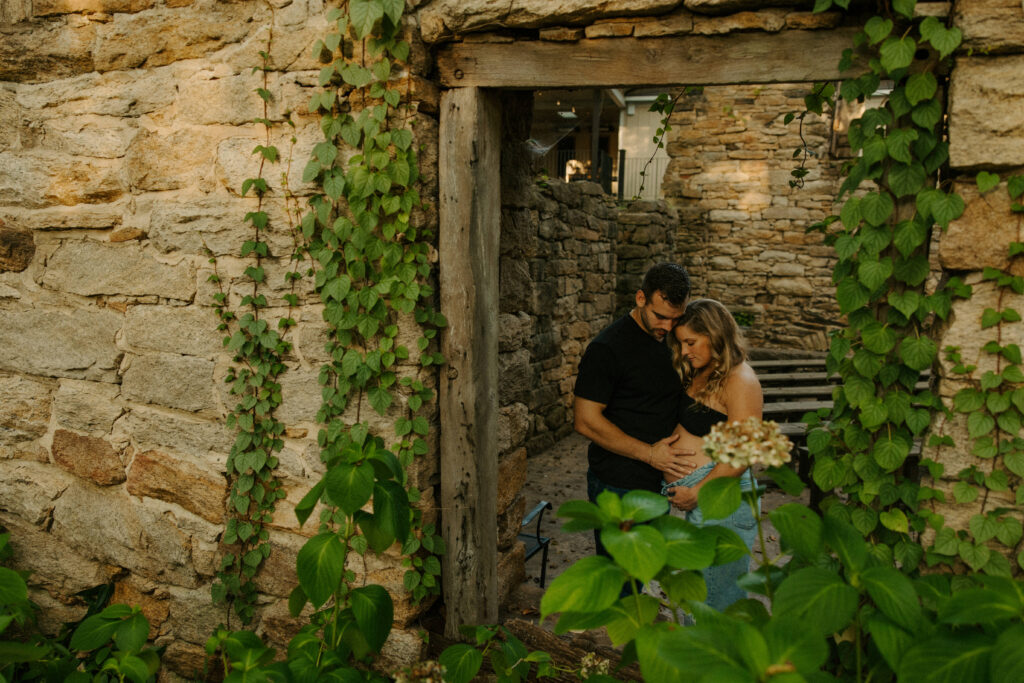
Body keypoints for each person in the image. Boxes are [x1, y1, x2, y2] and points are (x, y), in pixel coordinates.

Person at [573, 263, 698, 559]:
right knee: (619, 578)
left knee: (643, 572)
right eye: (660, 317)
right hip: (619, 484)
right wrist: (650, 454)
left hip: (658, 484)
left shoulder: (672, 337)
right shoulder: (607, 348)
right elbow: (585, 421)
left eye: (675, 318)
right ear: (641, 298)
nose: (668, 327)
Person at [662, 298, 763, 611]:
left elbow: (743, 452)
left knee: (717, 599)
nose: (684, 351)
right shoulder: (700, 371)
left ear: (716, 335)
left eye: (691, 342)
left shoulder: (741, 381)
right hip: (704, 500)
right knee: (696, 594)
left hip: (723, 501)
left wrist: (698, 492)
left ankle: (720, 658)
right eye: (680, 344)